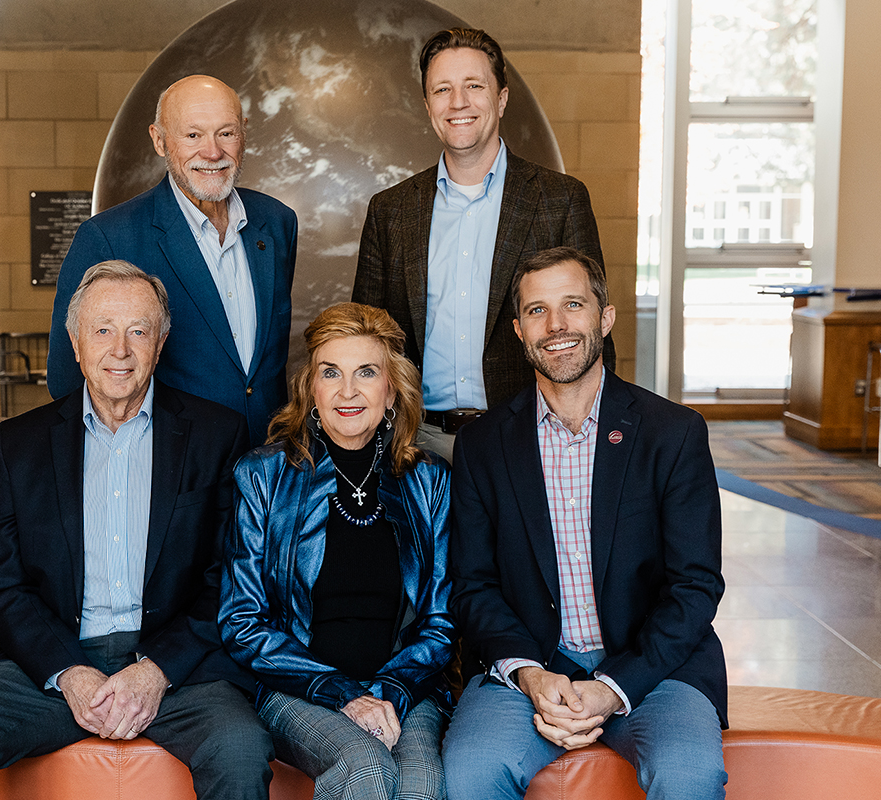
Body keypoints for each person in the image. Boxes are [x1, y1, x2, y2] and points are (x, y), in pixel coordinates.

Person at [0, 261, 273, 800]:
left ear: (161, 341)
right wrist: (70, 673)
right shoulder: (23, 443)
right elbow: (3, 588)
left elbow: (229, 580)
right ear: (76, 342)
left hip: (179, 668)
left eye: (138, 331)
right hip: (53, 665)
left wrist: (154, 672)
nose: (120, 350)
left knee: (240, 748)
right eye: (102, 329)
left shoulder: (217, 434)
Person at [443, 247, 727, 799]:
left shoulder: (673, 433)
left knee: (688, 775)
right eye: (537, 311)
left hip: (655, 669)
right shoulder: (482, 444)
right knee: (470, 773)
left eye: (573, 305)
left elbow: (696, 586)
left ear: (606, 316)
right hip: (531, 670)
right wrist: (529, 673)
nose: (557, 326)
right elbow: (472, 584)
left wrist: (614, 687)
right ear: (520, 331)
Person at [220, 302, 454, 800]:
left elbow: (442, 620)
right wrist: (343, 692)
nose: (348, 391)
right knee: (367, 769)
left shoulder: (429, 479)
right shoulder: (264, 475)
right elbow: (242, 622)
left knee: (422, 784)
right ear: (311, 390)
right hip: (298, 689)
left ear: (391, 390)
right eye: (331, 373)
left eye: (366, 372)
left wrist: (389, 690)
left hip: (406, 688)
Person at [352, 28, 611, 460]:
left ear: (502, 98)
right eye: (443, 89)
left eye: (474, 86)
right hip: (417, 443)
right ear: (428, 106)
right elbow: (364, 338)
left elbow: (595, 331)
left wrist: (595, 442)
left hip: (529, 437)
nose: (459, 102)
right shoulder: (390, 210)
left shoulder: (560, 199)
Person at [47, 74, 298, 446]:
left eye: (225, 133)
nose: (212, 152)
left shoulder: (276, 223)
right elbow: (68, 378)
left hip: (271, 464)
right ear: (160, 140)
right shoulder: (108, 237)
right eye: (193, 135)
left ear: (243, 134)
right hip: (174, 471)